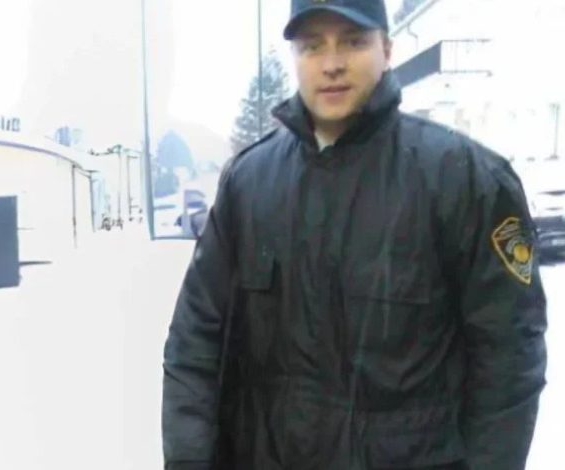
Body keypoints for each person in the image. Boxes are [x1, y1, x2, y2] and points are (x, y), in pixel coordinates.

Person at [162, 0, 548, 468]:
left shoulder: (465, 180)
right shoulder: (249, 184)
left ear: (387, 49)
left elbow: (508, 361)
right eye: (312, 46)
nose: (332, 63)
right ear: (295, 57)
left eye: (353, 41)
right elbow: (195, 343)